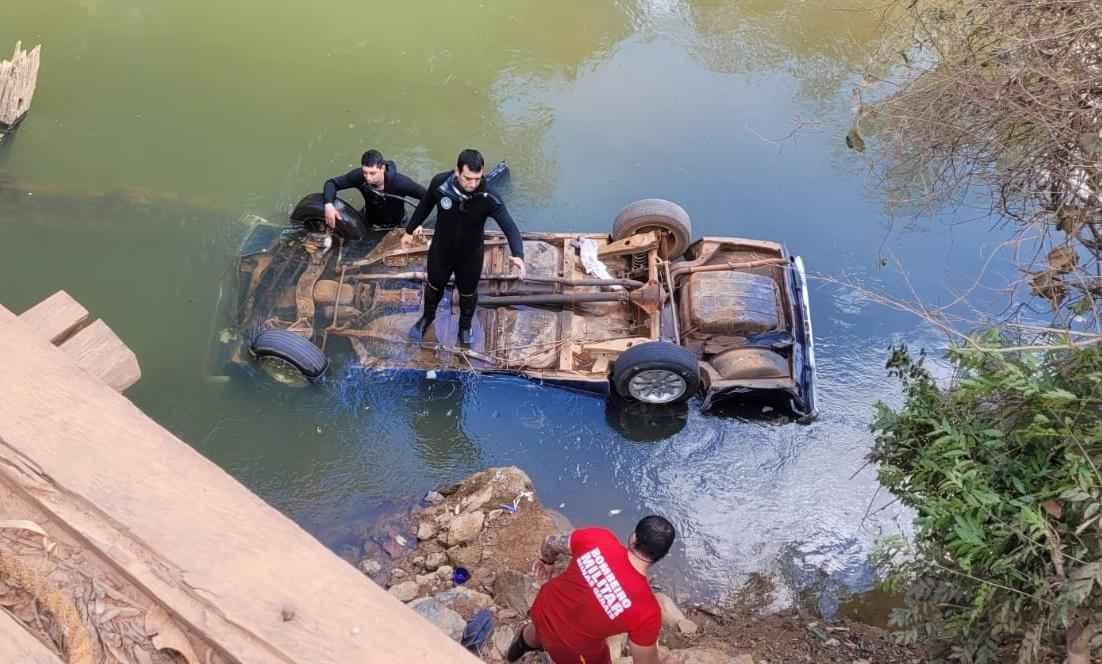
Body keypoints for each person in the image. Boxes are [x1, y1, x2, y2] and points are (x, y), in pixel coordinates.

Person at [507, 516, 677, 664]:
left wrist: (547, 562)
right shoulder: (647, 610)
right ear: (661, 556)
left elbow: (550, 542)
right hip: (572, 650)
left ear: (633, 538)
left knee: (539, 630)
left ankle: (517, 649)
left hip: (543, 608)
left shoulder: (598, 538)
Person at [402, 148, 526, 345]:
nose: (472, 184)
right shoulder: (440, 184)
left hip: (470, 255)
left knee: (468, 293)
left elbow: (509, 226)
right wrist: (409, 231)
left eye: (477, 178)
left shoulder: (489, 197)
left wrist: (518, 254)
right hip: (441, 251)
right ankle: (427, 318)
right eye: (467, 178)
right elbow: (425, 206)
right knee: (434, 287)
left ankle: (464, 327)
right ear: (457, 171)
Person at [322, 149, 426, 229]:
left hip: (396, 224)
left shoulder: (400, 183)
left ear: (382, 168)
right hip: (368, 220)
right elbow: (331, 183)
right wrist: (328, 204)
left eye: (372, 173)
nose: (368, 177)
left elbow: (427, 197)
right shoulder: (359, 177)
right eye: (365, 172)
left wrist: (417, 223)